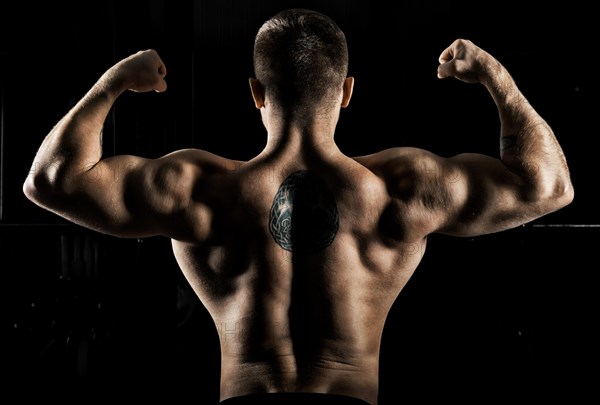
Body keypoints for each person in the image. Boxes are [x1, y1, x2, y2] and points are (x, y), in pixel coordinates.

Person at [23, 8, 573, 405]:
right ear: (347, 91)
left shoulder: (199, 188)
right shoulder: (398, 189)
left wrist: (115, 81)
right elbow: (548, 186)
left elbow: (52, 180)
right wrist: (493, 75)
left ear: (256, 92)